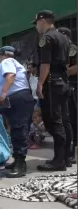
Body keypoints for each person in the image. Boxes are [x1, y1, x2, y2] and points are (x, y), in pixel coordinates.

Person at [32, 10, 71, 171]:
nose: (37, 28)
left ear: (42, 21)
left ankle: (59, 160)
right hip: (63, 82)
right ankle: (64, 157)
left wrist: (40, 84)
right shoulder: (64, 38)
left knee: (53, 121)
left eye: (36, 24)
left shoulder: (46, 38)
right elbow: (67, 65)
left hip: (51, 84)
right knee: (62, 120)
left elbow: (45, 64)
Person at [0, 46, 35, 178]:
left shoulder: (7, 62)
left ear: (5, 55)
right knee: (17, 129)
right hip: (21, 98)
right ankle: (17, 159)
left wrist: (3, 93)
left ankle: (21, 164)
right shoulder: (16, 64)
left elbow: (10, 76)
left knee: (19, 129)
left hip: (17, 97)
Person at [59, 27, 78, 164]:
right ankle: (67, 151)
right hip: (66, 88)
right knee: (67, 120)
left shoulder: (72, 48)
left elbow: (76, 68)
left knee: (73, 120)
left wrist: (60, 72)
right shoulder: (62, 50)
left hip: (74, 87)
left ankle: (73, 152)